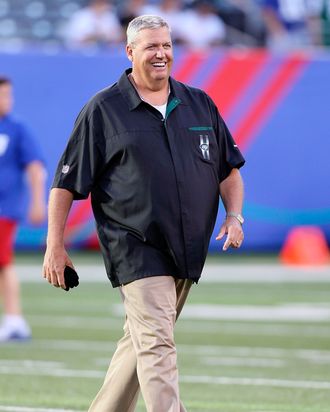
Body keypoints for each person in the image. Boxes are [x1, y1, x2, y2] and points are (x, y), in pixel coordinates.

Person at [43, 14, 245, 412]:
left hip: (186, 248)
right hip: (134, 245)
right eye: (152, 46)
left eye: (167, 45)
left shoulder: (198, 103)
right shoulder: (103, 109)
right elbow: (65, 183)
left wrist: (234, 217)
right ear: (130, 51)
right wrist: (55, 245)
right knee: (156, 342)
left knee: (142, 343)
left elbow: (229, 170)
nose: (161, 53)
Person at [0, 76, 46, 342]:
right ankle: (13, 319)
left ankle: (15, 319)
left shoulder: (17, 128)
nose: (7, 100)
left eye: (9, 95)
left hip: (4, 208)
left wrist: (38, 202)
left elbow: (35, 167)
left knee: (4, 262)